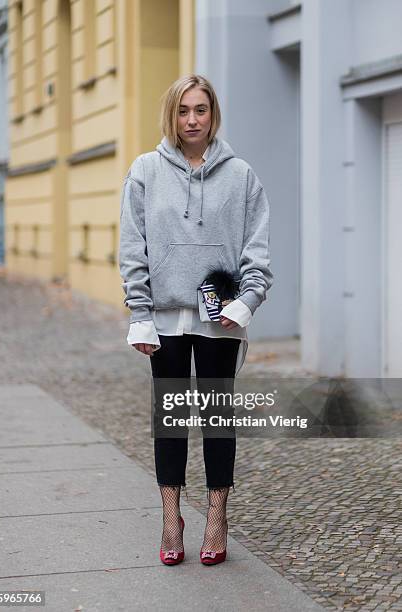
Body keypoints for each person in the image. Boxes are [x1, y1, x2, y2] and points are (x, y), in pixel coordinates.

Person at [119, 74, 273, 566]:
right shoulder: (145, 170)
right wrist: (139, 313)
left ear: (213, 114)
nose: (192, 120)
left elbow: (257, 249)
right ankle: (170, 516)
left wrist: (248, 298)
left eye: (201, 110)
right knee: (170, 420)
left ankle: (216, 514)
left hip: (220, 318)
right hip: (163, 318)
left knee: (216, 419)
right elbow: (132, 247)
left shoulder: (241, 175)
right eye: (183, 110)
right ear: (172, 114)